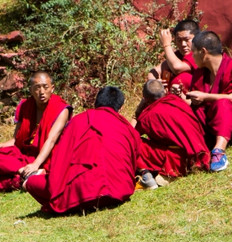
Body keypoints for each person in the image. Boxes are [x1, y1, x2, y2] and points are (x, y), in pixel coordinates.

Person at [24, 86, 145, 214]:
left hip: (80, 196)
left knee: (31, 182)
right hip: (119, 191)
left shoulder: (78, 121)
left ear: (95, 103)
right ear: (120, 108)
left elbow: (61, 159)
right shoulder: (127, 128)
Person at [184, 30, 232, 171]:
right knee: (193, 111)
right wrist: (185, 99)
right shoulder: (199, 73)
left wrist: (206, 96)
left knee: (223, 103)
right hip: (211, 124)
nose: (192, 56)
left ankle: (219, 151)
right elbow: (196, 103)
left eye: (193, 52)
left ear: (203, 52)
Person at [0, 72, 71, 193]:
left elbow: (51, 140)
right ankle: (25, 174)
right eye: (37, 88)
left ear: (52, 88)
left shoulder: (61, 109)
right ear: (31, 90)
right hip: (25, 156)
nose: (41, 92)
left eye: (45, 87)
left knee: (2, 175)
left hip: (47, 157)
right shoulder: (25, 106)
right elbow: (16, 140)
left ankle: (23, 177)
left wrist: (36, 163)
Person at [133, 79, 209, 185]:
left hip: (176, 160)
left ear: (146, 99)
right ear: (165, 91)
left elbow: (131, 135)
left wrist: (137, 112)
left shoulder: (148, 116)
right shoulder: (176, 101)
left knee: (136, 143)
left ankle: (145, 173)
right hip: (200, 152)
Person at [147, 19, 200, 89]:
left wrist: (166, 44)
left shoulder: (198, 55)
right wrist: (154, 83)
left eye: (187, 40)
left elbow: (177, 68)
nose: (183, 44)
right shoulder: (178, 55)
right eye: (179, 40)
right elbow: (153, 71)